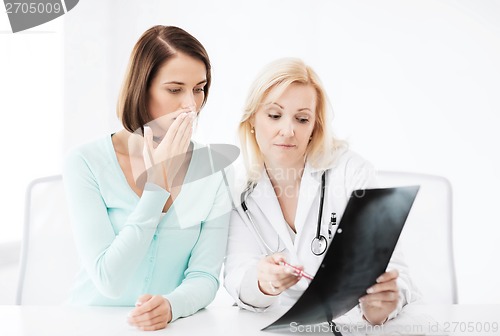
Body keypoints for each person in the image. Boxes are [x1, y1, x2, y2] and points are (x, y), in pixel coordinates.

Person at [224, 58, 419, 325]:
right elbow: (237, 273)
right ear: (252, 120)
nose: (288, 130)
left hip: (352, 324)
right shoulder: (239, 192)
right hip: (281, 324)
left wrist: (381, 306)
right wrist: (262, 282)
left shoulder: (351, 173)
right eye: (274, 115)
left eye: (302, 119)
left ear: (314, 127)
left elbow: (394, 270)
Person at [63, 25, 230, 331]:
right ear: (142, 88)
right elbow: (108, 281)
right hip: (89, 325)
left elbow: (205, 276)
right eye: (175, 89)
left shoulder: (213, 168)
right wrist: (157, 188)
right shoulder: (85, 161)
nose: (191, 105)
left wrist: (172, 306)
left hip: (170, 328)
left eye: (199, 88)